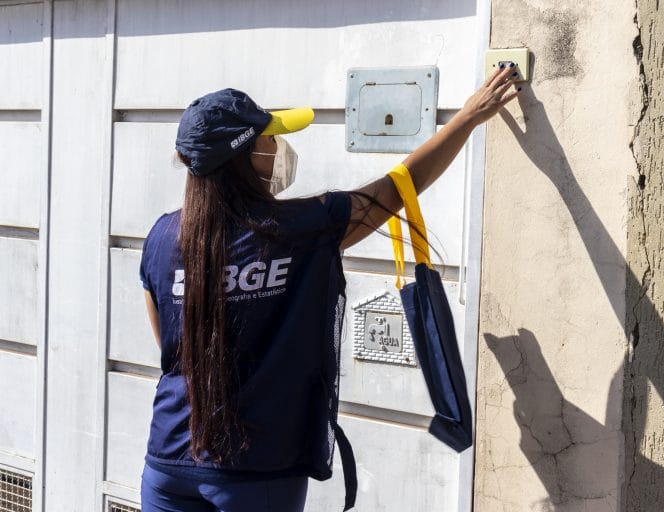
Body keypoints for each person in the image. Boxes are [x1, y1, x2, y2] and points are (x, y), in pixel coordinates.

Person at [139, 65, 521, 512]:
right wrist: (468, 118)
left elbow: (171, 350)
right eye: (267, 138)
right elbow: (398, 187)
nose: (275, 147)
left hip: (168, 461)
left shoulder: (161, 238)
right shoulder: (301, 227)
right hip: (256, 470)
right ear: (244, 157)